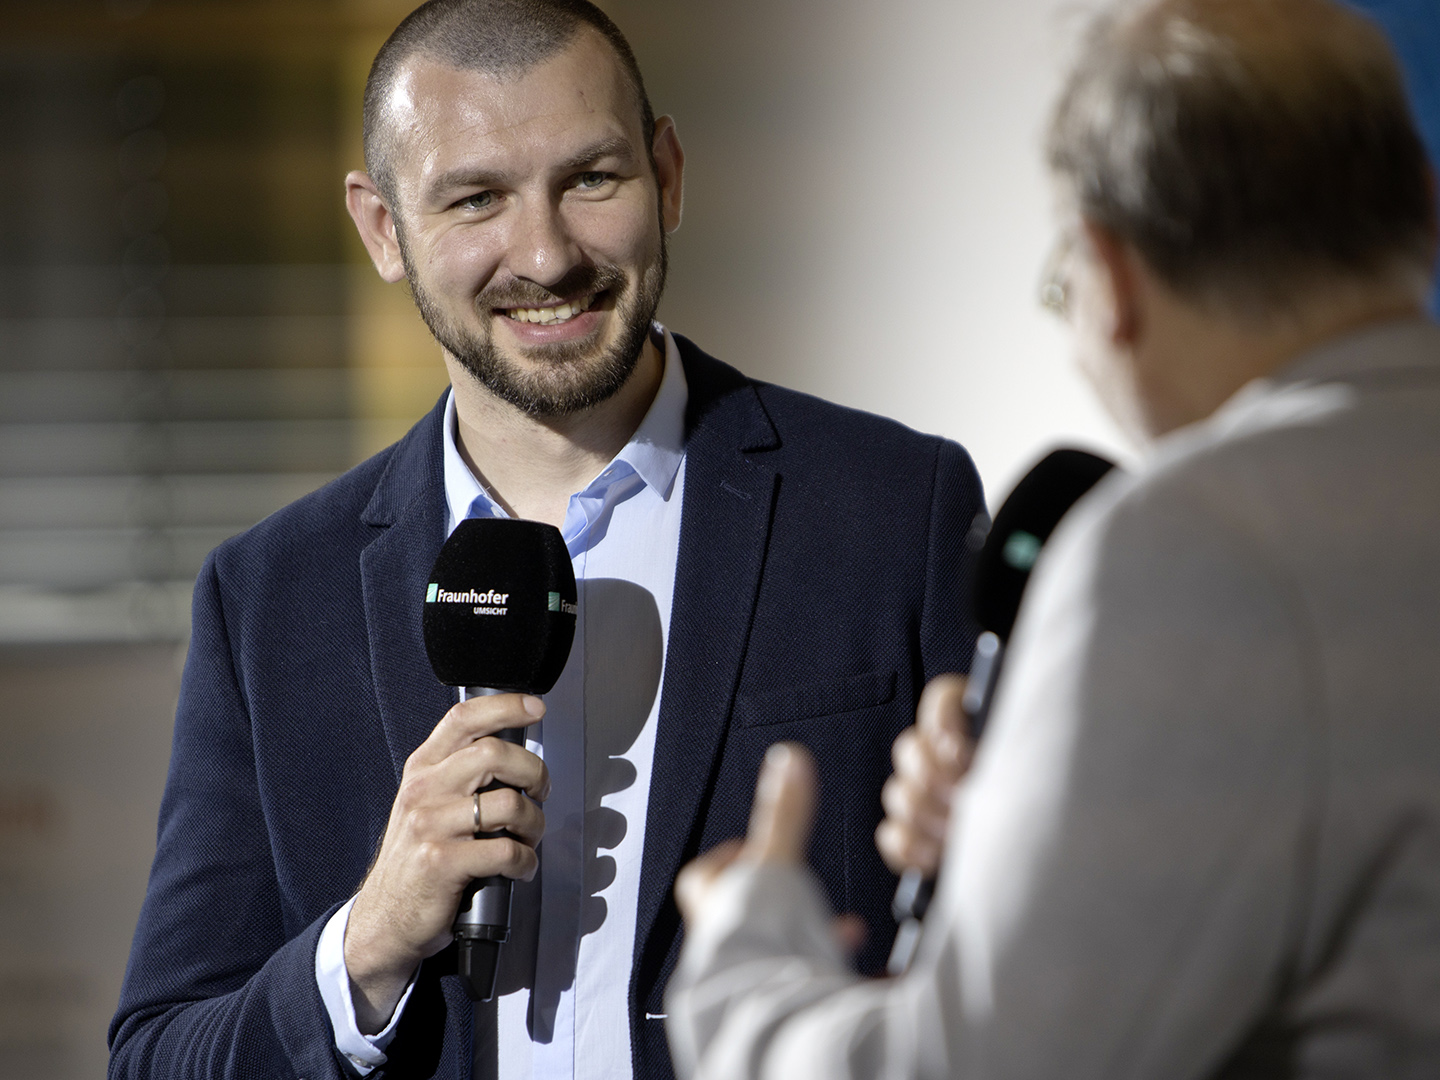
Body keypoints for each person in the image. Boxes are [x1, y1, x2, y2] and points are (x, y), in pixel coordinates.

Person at [107, 1, 985, 1079]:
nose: (546, 254)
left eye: (592, 180)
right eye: (477, 197)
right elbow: (159, 1057)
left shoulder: (898, 507)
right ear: (383, 228)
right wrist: (371, 938)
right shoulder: (270, 597)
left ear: (665, 174)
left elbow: (1022, 961)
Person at [665, 0, 1440, 1076]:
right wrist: (1027, 851)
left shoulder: (1193, 546)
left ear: (1113, 280)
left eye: (1061, 283)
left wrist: (746, 958)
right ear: (1424, 206)